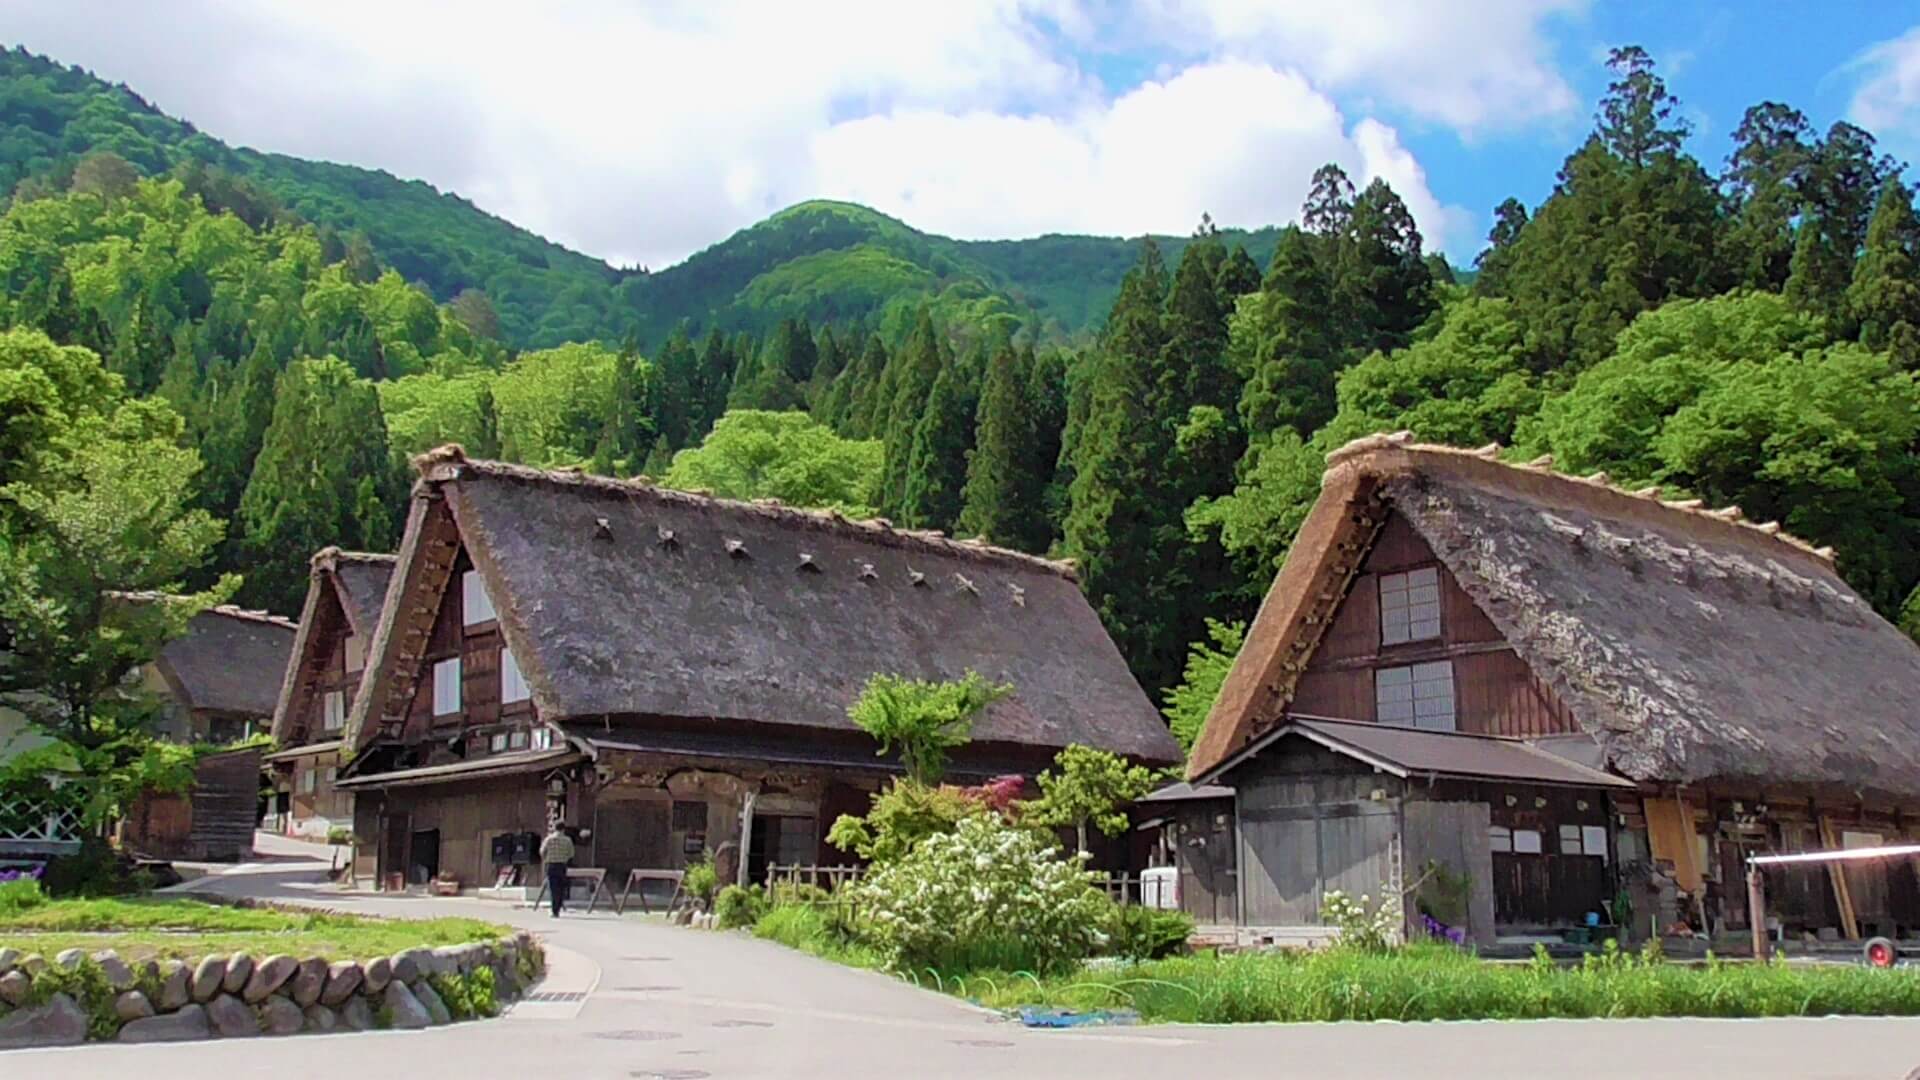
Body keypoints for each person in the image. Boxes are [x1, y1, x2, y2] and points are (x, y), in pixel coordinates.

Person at [541, 823, 575, 918]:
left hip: (551, 865)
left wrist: (547, 858)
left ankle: (554, 910)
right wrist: (564, 858)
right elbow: (571, 854)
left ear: (555, 828)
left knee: (553, 888)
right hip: (562, 866)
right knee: (561, 888)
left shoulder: (549, 839)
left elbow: (542, 851)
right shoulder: (568, 840)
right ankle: (558, 907)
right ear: (563, 829)